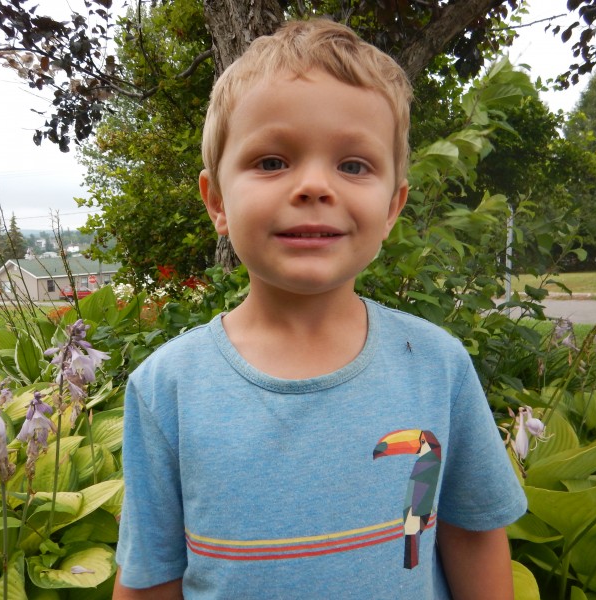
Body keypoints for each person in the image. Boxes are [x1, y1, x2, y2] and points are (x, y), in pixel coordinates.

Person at [113, 18, 527, 600]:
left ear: (392, 207)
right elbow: (150, 577)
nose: (314, 186)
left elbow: (474, 536)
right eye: (271, 162)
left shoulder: (438, 365)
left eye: (353, 165)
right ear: (217, 201)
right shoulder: (167, 388)